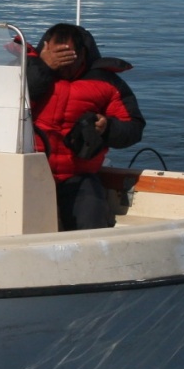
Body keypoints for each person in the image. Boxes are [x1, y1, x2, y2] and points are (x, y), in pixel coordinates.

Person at [26, 23, 145, 231]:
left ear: (82, 54)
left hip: (77, 176)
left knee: (91, 224)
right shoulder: (24, 74)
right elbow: (6, 105)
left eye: (68, 56)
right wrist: (42, 68)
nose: (62, 63)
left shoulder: (107, 83)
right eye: (57, 55)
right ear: (44, 49)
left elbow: (134, 128)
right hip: (27, 174)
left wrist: (107, 127)